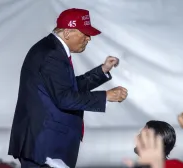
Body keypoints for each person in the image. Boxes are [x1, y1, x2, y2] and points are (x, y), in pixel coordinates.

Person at [8, 8, 128, 168]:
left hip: (46, 144)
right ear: (67, 32)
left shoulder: (51, 49)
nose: (88, 38)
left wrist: (102, 71)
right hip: (45, 147)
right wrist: (106, 96)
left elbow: (65, 88)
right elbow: (65, 98)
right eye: (85, 33)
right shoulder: (52, 54)